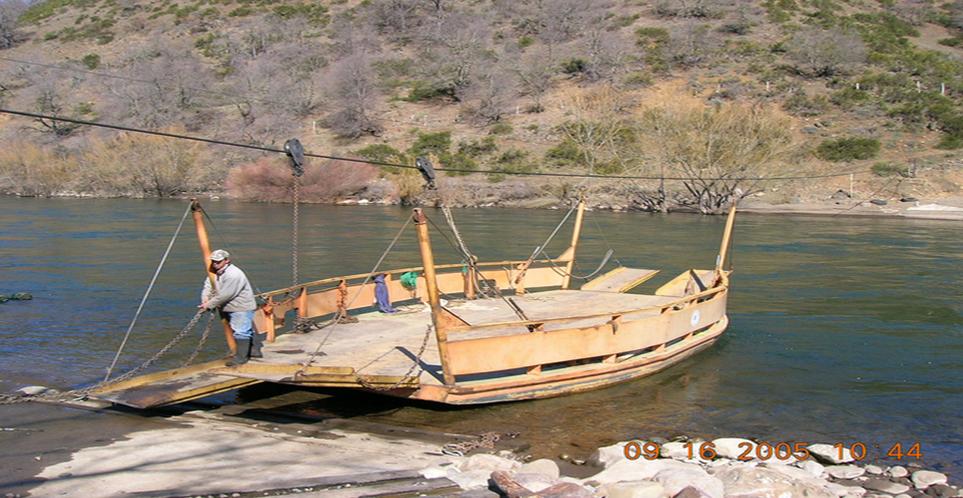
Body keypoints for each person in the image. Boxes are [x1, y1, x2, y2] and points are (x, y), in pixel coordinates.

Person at [199, 249, 261, 366]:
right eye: (213, 261)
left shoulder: (234, 274)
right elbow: (208, 285)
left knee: (241, 331)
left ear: (227, 260)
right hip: (229, 307)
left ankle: (241, 358)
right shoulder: (214, 272)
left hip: (240, 307)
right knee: (243, 329)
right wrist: (205, 299)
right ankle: (253, 351)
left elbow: (226, 294)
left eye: (218, 261)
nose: (215, 264)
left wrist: (209, 305)